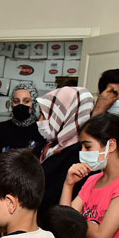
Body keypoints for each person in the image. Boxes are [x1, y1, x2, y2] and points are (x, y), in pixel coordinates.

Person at [35, 86, 95, 216]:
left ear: (65, 115)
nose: (40, 121)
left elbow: (53, 197)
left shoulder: (79, 154)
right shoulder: (48, 145)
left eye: (44, 115)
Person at [0, 83, 46, 164]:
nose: (20, 105)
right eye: (16, 101)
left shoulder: (42, 130)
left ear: (33, 104)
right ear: (11, 104)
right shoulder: (1, 129)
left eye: (26, 101)